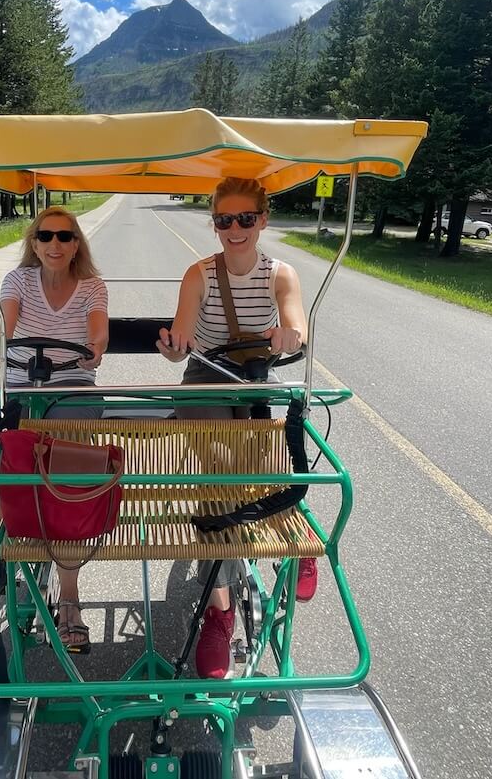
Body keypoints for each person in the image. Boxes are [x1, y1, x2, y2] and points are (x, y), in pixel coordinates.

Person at [156, 177, 315, 679]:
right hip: (205, 376)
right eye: (225, 220)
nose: (235, 229)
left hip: (252, 378)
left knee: (269, 459)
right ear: (215, 224)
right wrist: (176, 343)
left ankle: (295, 533)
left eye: (246, 218)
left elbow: (295, 323)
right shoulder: (199, 273)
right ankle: (220, 612)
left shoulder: (280, 274)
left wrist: (289, 335)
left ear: (263, 220)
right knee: (219, 481)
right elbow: (182, 328)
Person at [0, 206, 109, 654]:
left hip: (73, 387)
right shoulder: (17, 281)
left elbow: (97, 333)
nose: (55, 244)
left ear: (77, 245)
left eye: (65, 237)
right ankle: (3, 558)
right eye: (46, 236)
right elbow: (6, 323)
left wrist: (93, 350)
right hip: (19, 383)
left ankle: (69, 595)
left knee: (69, 479)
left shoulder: (92, 286)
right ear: (34, 243)